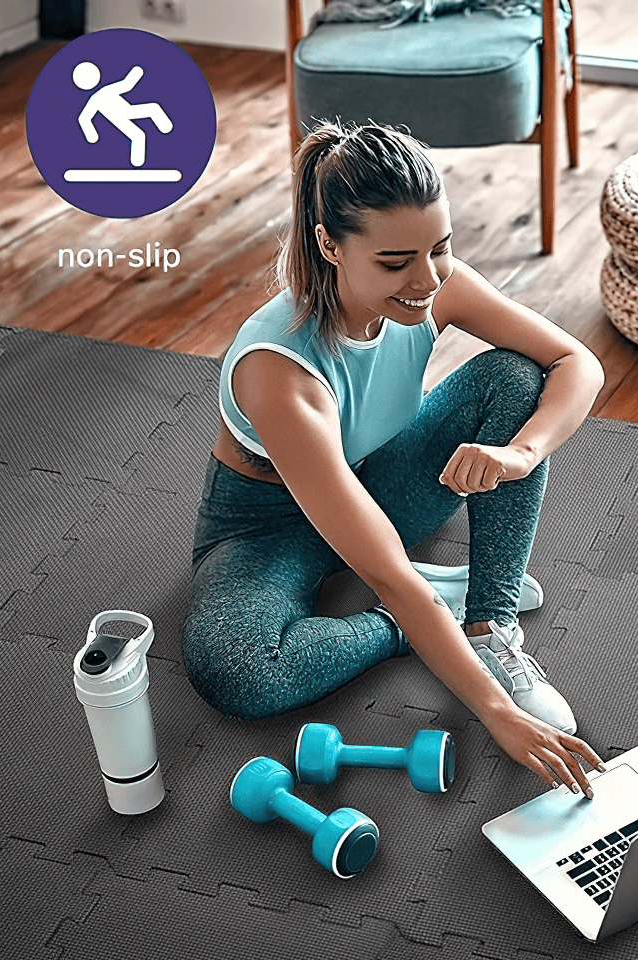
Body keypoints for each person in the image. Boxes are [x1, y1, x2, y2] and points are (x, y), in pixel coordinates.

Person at [181, 119, 606, 798]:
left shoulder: (435, 285)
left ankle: (488, 618)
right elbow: (385, 569)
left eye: (440, 248)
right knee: (238, 670)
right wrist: (495, 716)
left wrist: (522, 453)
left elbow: (573, 361)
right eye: (395, 262)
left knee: (516, 380)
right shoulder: (279, 371)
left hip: (375, 479)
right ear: (329, 245)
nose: (427, 278)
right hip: (265, 525)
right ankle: (411, 625)